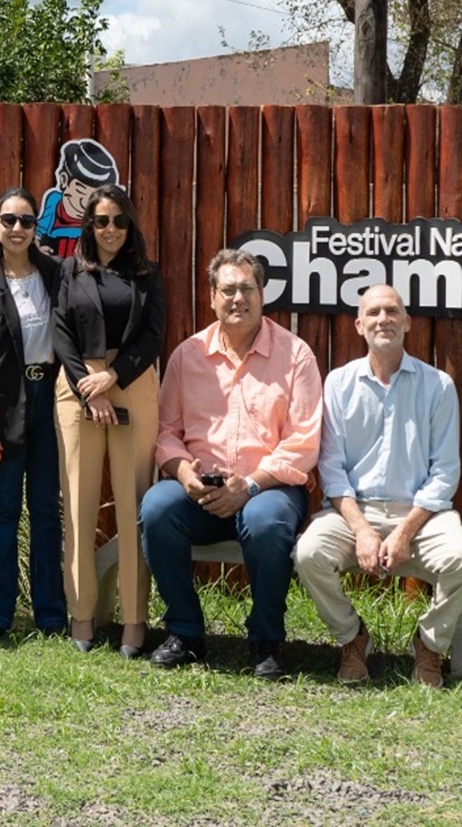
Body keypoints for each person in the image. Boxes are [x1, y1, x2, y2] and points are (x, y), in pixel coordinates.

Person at [142, 249, 320, 676]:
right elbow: (167, 432)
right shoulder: (188, 355)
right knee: (156, 508)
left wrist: (252, 485)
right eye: (228, 289)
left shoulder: (295, 356)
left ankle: (266, 641)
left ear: (262, 295)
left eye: (247, 288)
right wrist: (184, 473)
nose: (237, 298)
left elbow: (304, 442)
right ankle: (185, 633)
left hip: (269, 489)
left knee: (265, 522)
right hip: (201, 489)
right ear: (212, 297)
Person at [295, 286, 462, 687]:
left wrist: (403, 533)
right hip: (353, 512)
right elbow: (331, 470)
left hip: (421, 516)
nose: (384, 319)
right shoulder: (339, 384)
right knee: (309, 553)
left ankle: (429, 644)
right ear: (359, 325)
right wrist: (363, 531)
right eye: (374, 313)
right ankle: (352, 638)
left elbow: (444, 475)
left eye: (393, 311)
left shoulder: (438, 386)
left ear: (407, 322)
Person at [52, 184, 164, 657]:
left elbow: (154, 333)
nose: (111, 229)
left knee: (132, 503)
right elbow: (59, 330)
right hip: (77, 384)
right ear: (89, 226)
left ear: (130, 224)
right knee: (77, 503)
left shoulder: (147, 274)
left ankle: (134, 622)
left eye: (119, 220)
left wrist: (113, 376)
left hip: (132, 380)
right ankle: (81, 616)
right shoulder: (70, 271)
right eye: (101, 221)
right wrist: (86, 383)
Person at [0, 187, 67, 639]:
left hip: (51, 403)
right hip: (5, 405)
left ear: (36, 227)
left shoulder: (58, 274)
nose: (18, 229)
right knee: (3, 510)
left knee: (46, 509)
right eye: (9, 220)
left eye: (27, 221)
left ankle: (50, 613)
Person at [37, 139, 119, 260]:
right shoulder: (54, 201)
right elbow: (40, 229)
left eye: (94, 196)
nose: (86, 202)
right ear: (64, 180)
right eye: (80, 190)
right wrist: (37, 246)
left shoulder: (99, 213)